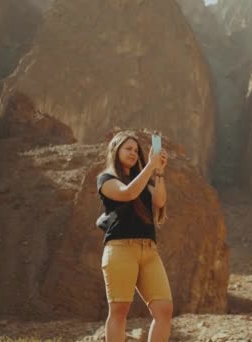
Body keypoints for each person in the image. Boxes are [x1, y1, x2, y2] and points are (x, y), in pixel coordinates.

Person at [96, 130, 172, 342]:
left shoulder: (142, 180)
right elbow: (127, 193)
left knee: (164, 310)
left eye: (136, 150)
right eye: (128, 148)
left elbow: (159, 201)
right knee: (119, 311)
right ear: (115, 149)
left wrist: (159, 172)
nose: (133, 153)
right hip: (121, 249)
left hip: (149, 250)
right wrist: (149, 166)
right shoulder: (106, 179)